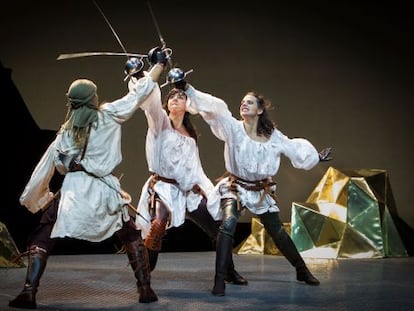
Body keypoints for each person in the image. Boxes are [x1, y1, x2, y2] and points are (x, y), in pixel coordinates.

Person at [8, 52, 167, 309]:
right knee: (131, 236)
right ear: (92, 98)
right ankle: (145, 289)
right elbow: (141, 92)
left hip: (73, 192)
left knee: (43, 236)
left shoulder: (65, 132)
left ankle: (29, 291)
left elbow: (51, 168)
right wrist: (158, 64)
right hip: (105, 190)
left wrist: (36, 199)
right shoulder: (109, 114)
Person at [178, 76, 332, 296]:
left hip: (261, 191)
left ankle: (301, 270)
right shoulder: (232, 128)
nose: (244, 104)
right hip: (236, 187)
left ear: (260, 110)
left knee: (277, 232)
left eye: (249, 102)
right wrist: (188, 89)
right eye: (242, 101)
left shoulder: (273, 136)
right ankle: (220, 280)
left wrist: (314, 157)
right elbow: (215, 108)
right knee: (228, 223)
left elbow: (293, 149)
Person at [133, 66, 247, 286]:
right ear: (166, 104)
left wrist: (186, 87)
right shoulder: (159, 123)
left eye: (181, 97)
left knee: (219, 228)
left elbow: (215, 108)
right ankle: (144, 279)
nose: (176, 99)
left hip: (190, 192)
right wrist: (142, 75)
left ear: (188, 105)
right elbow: (148, 101)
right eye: (172, 96)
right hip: (165, 188)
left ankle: (228, 271)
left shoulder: (191, 134)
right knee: (157, 227)